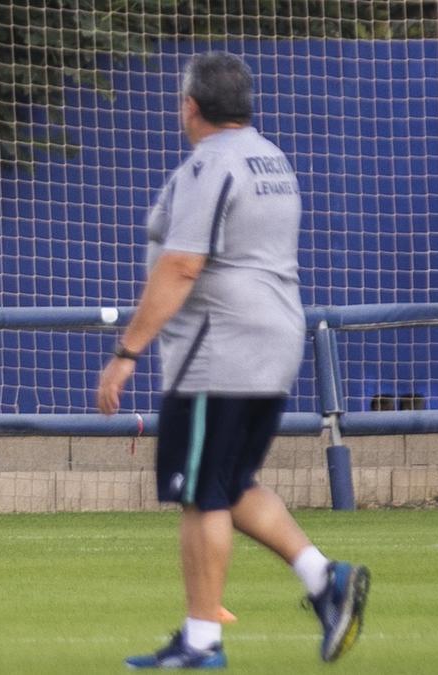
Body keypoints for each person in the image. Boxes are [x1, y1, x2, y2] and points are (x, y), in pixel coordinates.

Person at [96, 52, 370, 668]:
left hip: (217, 351)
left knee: (199, 495)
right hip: (272, 343)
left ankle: (201, 642)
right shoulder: (271, 158)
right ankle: (325, 579)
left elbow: (182, 265)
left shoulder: (209, 166)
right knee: (230, 484)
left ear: (190, 106)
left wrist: (126, 352)